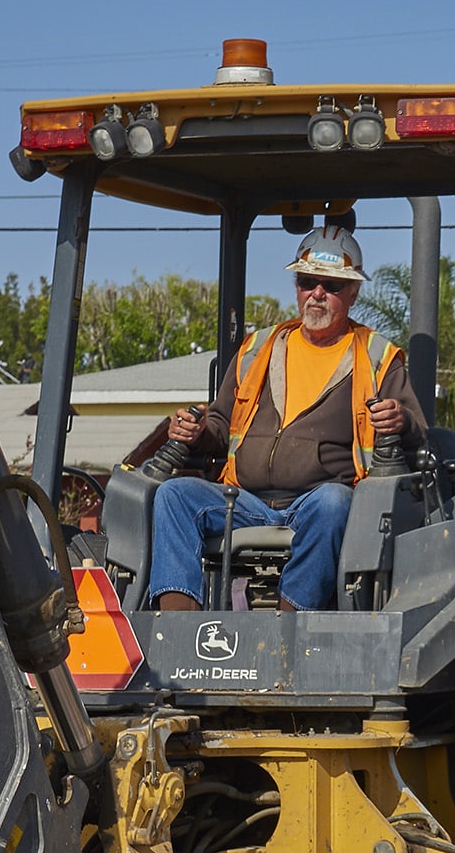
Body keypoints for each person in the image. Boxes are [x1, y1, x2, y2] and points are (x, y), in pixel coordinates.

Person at [147, 225, 425, 611]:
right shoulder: (258, 349)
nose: (317, 293)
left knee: (332, 502)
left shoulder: (377, 357)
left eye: (331, 285)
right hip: (243, 501)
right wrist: (195, 432)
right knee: (173, 495)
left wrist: (401, 422)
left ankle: (287, 625)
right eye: (307, 281)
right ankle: (176, 629)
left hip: (316, 504)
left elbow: (419, 436)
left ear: (354, 293)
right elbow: (221, 423)